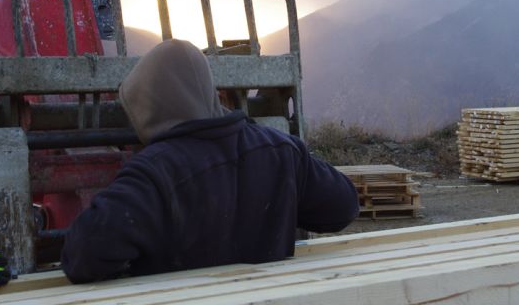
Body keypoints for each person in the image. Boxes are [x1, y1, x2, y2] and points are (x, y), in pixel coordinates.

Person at [61, 39, 359, 283]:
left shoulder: (153, 175)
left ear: (147, 110)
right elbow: (342, 207)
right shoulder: (280, 150)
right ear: (209, 92)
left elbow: (82, 256)